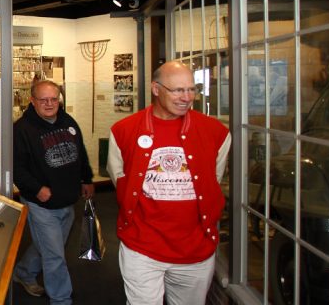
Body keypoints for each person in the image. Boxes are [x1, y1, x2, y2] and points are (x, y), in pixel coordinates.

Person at [106, 61, 230, 304]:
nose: (187, 97)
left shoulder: (216, 132)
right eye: (177, 90)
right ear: (155, 89)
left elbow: (213, 179)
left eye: (191, 89)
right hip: (141, 247)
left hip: (195, 250)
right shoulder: (123, 130)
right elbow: (119, 177)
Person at [12, 80, 94, 304]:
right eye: (43, 100)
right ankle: (61, 299)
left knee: (48, 246)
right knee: (55, 255)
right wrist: (37, 189)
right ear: (32, 101)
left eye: (54, 99)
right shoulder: (21, 130)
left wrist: (87, 178)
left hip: (68, 200)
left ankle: (23, 272)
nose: (49, 104)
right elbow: (16, 168)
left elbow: (80, 153)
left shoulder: (68, 121)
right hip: (42, 204)